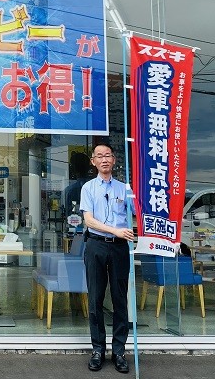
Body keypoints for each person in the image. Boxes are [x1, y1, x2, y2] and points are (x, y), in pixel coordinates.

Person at [79, 143, 134, 373]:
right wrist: (114, 230)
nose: (104, 159)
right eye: (99, 156)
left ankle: (119, 351)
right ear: (93, 161)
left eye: (108, 155)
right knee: (95, 299)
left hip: (119, 248)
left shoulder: (124, 189)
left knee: (120, 299)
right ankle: (98, 349)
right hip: (96, 245)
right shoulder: (88, 188)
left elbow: (137, 212)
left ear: (114, 160)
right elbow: (89, 220)